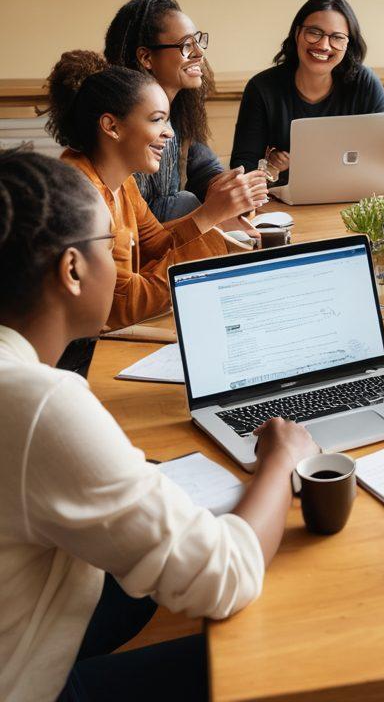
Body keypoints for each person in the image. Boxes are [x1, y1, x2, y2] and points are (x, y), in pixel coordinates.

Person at [0, 148, 319, 702]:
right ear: (72, 270)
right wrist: (278, 462)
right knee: (287, 649)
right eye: (112, 247)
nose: (123, 262)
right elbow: (227, 576)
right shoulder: (36, 402)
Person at [45, 51, 267, 341]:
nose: (169, 134)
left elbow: (156, 246)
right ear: (112, 126)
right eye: (156, 120)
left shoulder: (122, 182)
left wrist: (213, 215)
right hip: (81, 350)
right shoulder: (81, 197)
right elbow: (122, 305)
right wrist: (210, 216)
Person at [230, 0, 384, 180]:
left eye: (337, 37)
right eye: (314, 32)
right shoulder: (262, 88)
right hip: (281, 201)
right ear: (297, 33)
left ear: (348, 45)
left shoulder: (365, 83)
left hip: (352, 197)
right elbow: (243, 167)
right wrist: (270, 167)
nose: (323, 45)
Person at [105, 0, 228, 222]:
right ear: (146, 57)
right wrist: (208, 213)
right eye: (187, 45)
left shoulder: (180, 109)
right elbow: (136, 225)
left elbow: (204, 166)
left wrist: (227, 187)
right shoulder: (125, 125)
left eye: (198, 42)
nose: (200, 54)